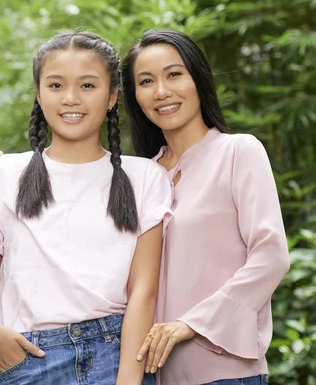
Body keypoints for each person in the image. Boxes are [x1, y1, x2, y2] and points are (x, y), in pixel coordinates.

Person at [0, 31, 172, 385]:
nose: (70, 99)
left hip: (117, 352)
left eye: (88, 86)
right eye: (55, 85)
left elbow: (144, 291)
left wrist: (129, 379)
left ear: (111, 96)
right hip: (31, 358)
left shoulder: (145, 177)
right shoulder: (1, 175)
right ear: (38, 92)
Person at [121, 28, 290, 385]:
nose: (162, 91)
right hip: (150, 374)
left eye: (174, 74)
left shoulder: (238, 152)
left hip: (226, 373)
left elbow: (271, 255)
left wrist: (191, 324)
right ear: (135, 96)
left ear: (199, 79)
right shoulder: (139, 178)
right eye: (146, 81)